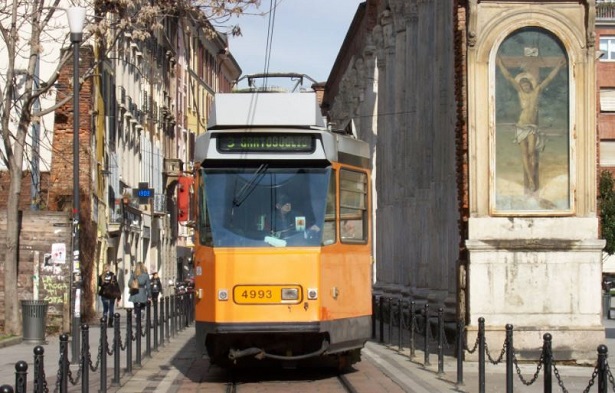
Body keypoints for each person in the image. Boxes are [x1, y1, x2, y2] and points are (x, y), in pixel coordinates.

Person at [496, 56, 566, 193]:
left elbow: (549, 79)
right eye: (523, 85)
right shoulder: (520, 93)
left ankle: (532, 178)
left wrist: (558, 66)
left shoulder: (536, 92)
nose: (525, 86)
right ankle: (531, 180)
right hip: (521, 126)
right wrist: (499, 64)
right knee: (524, 154)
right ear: (521, 86)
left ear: (530, 84)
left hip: (532, 127)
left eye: (527, 84)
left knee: (531, 152)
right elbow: (509, 78)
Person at [98, 263, 121, 327]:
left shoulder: (101, 276)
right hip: (111, 294)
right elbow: (116, 286)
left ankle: (104, 321)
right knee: (111, 308)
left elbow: (99, 284)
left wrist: (104, 283)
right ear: (109, 268)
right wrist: (119, 296)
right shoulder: (113, 275)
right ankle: (110, 323)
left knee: (105, 309)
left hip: (104, 294)